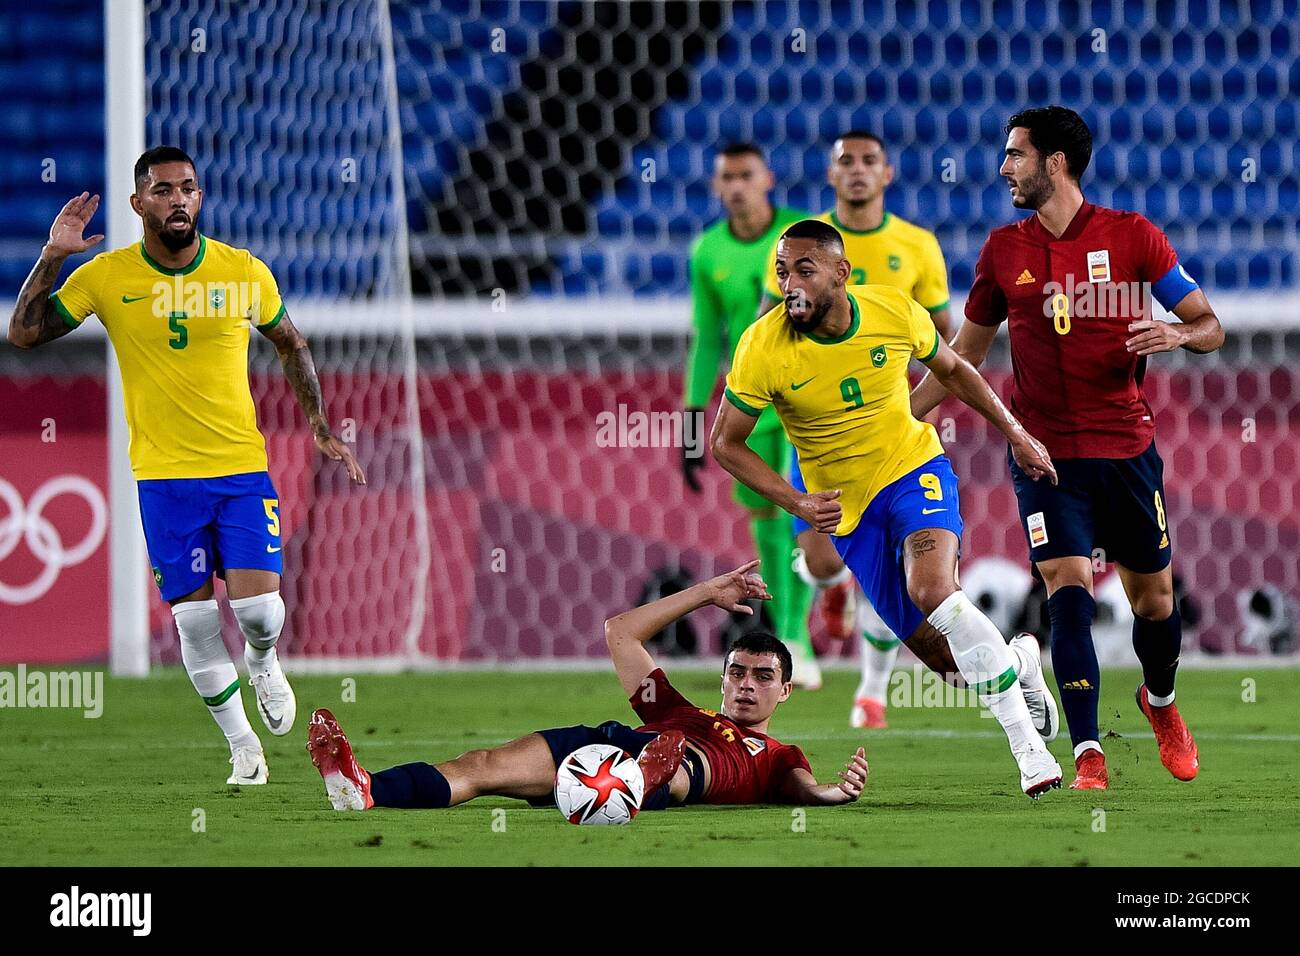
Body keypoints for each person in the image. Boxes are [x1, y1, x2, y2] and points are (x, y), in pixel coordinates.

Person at [7, 146, 365, 784]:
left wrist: (318, 422)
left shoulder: (242, 272)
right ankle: (244, 750)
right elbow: (25, 335)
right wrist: (52, 257)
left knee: (260, 613)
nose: (178, 200)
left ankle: (262, 659)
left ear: (199, 198)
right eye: (163, 190)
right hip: (164, 480)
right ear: (139, 203)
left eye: (188, 189)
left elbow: (291, 343)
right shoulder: (106, 277)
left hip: (238, 471)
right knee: (196, 621)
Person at [911, 107, 1222, 790]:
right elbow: (963, 355)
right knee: (1066, 590)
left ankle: (1161, 705)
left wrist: (1176, 334)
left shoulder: (1134, 237)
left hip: (1127, 450)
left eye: (1016, 155)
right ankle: (1087, 753)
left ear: (1055, 163)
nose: (1004, 168)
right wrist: (900, 418)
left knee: (1154, 602)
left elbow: (1209, 324)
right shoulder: (1003, 250)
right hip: (1044, 456)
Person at [711, 218, 1063, 798]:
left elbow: (953, 369)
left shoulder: (893, 311)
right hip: (849, 514)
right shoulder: (762, 346)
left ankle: (1030, 754)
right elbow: (726, 442)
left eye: (803, 269)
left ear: (841, 274)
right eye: (780, 272)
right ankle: (1021, 659)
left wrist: (1016, 433)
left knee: (934, 590)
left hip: (912, 471)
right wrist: (796, 500)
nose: (788, 284)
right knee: (949, 664)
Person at [306, 561, 870, 811]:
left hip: (678, 770)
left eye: (764, 677)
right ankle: (366, 788)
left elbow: (802, 788)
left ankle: (639, 782)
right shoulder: (669, 706)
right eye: (738, 673)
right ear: (723, 679)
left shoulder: (777, 756)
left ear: (785, 691)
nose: (747, 685)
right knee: (480, 766)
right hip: (610, 744)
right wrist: (702, 593)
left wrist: (833, 793)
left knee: (682, 767)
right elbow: (620, 633)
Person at [757, 131, 954, 727]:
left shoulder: (917, 246)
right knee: (819, 564)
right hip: (819, 438)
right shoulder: (801, 245)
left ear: (888, 174)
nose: (859, 171)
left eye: (870, 161)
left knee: (900, 572)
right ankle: (832, 583)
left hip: (895, 441)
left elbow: (945, 343)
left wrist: (919, 410)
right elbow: (771, 328)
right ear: (831, 173)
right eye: (847, 161)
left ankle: (872, 690)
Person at [683, 143, 818, 686]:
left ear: (767, 179)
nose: (736, 185)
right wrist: (694, 419)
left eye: (746, 175)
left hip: (806, 392)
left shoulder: (800, 236)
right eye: (727, 177)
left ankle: (796, 634)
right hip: (751, 401)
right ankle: (793, 629)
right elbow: (706, 341)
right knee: (767, 518)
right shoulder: (707, 251)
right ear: (717, 186)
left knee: (804, 513)